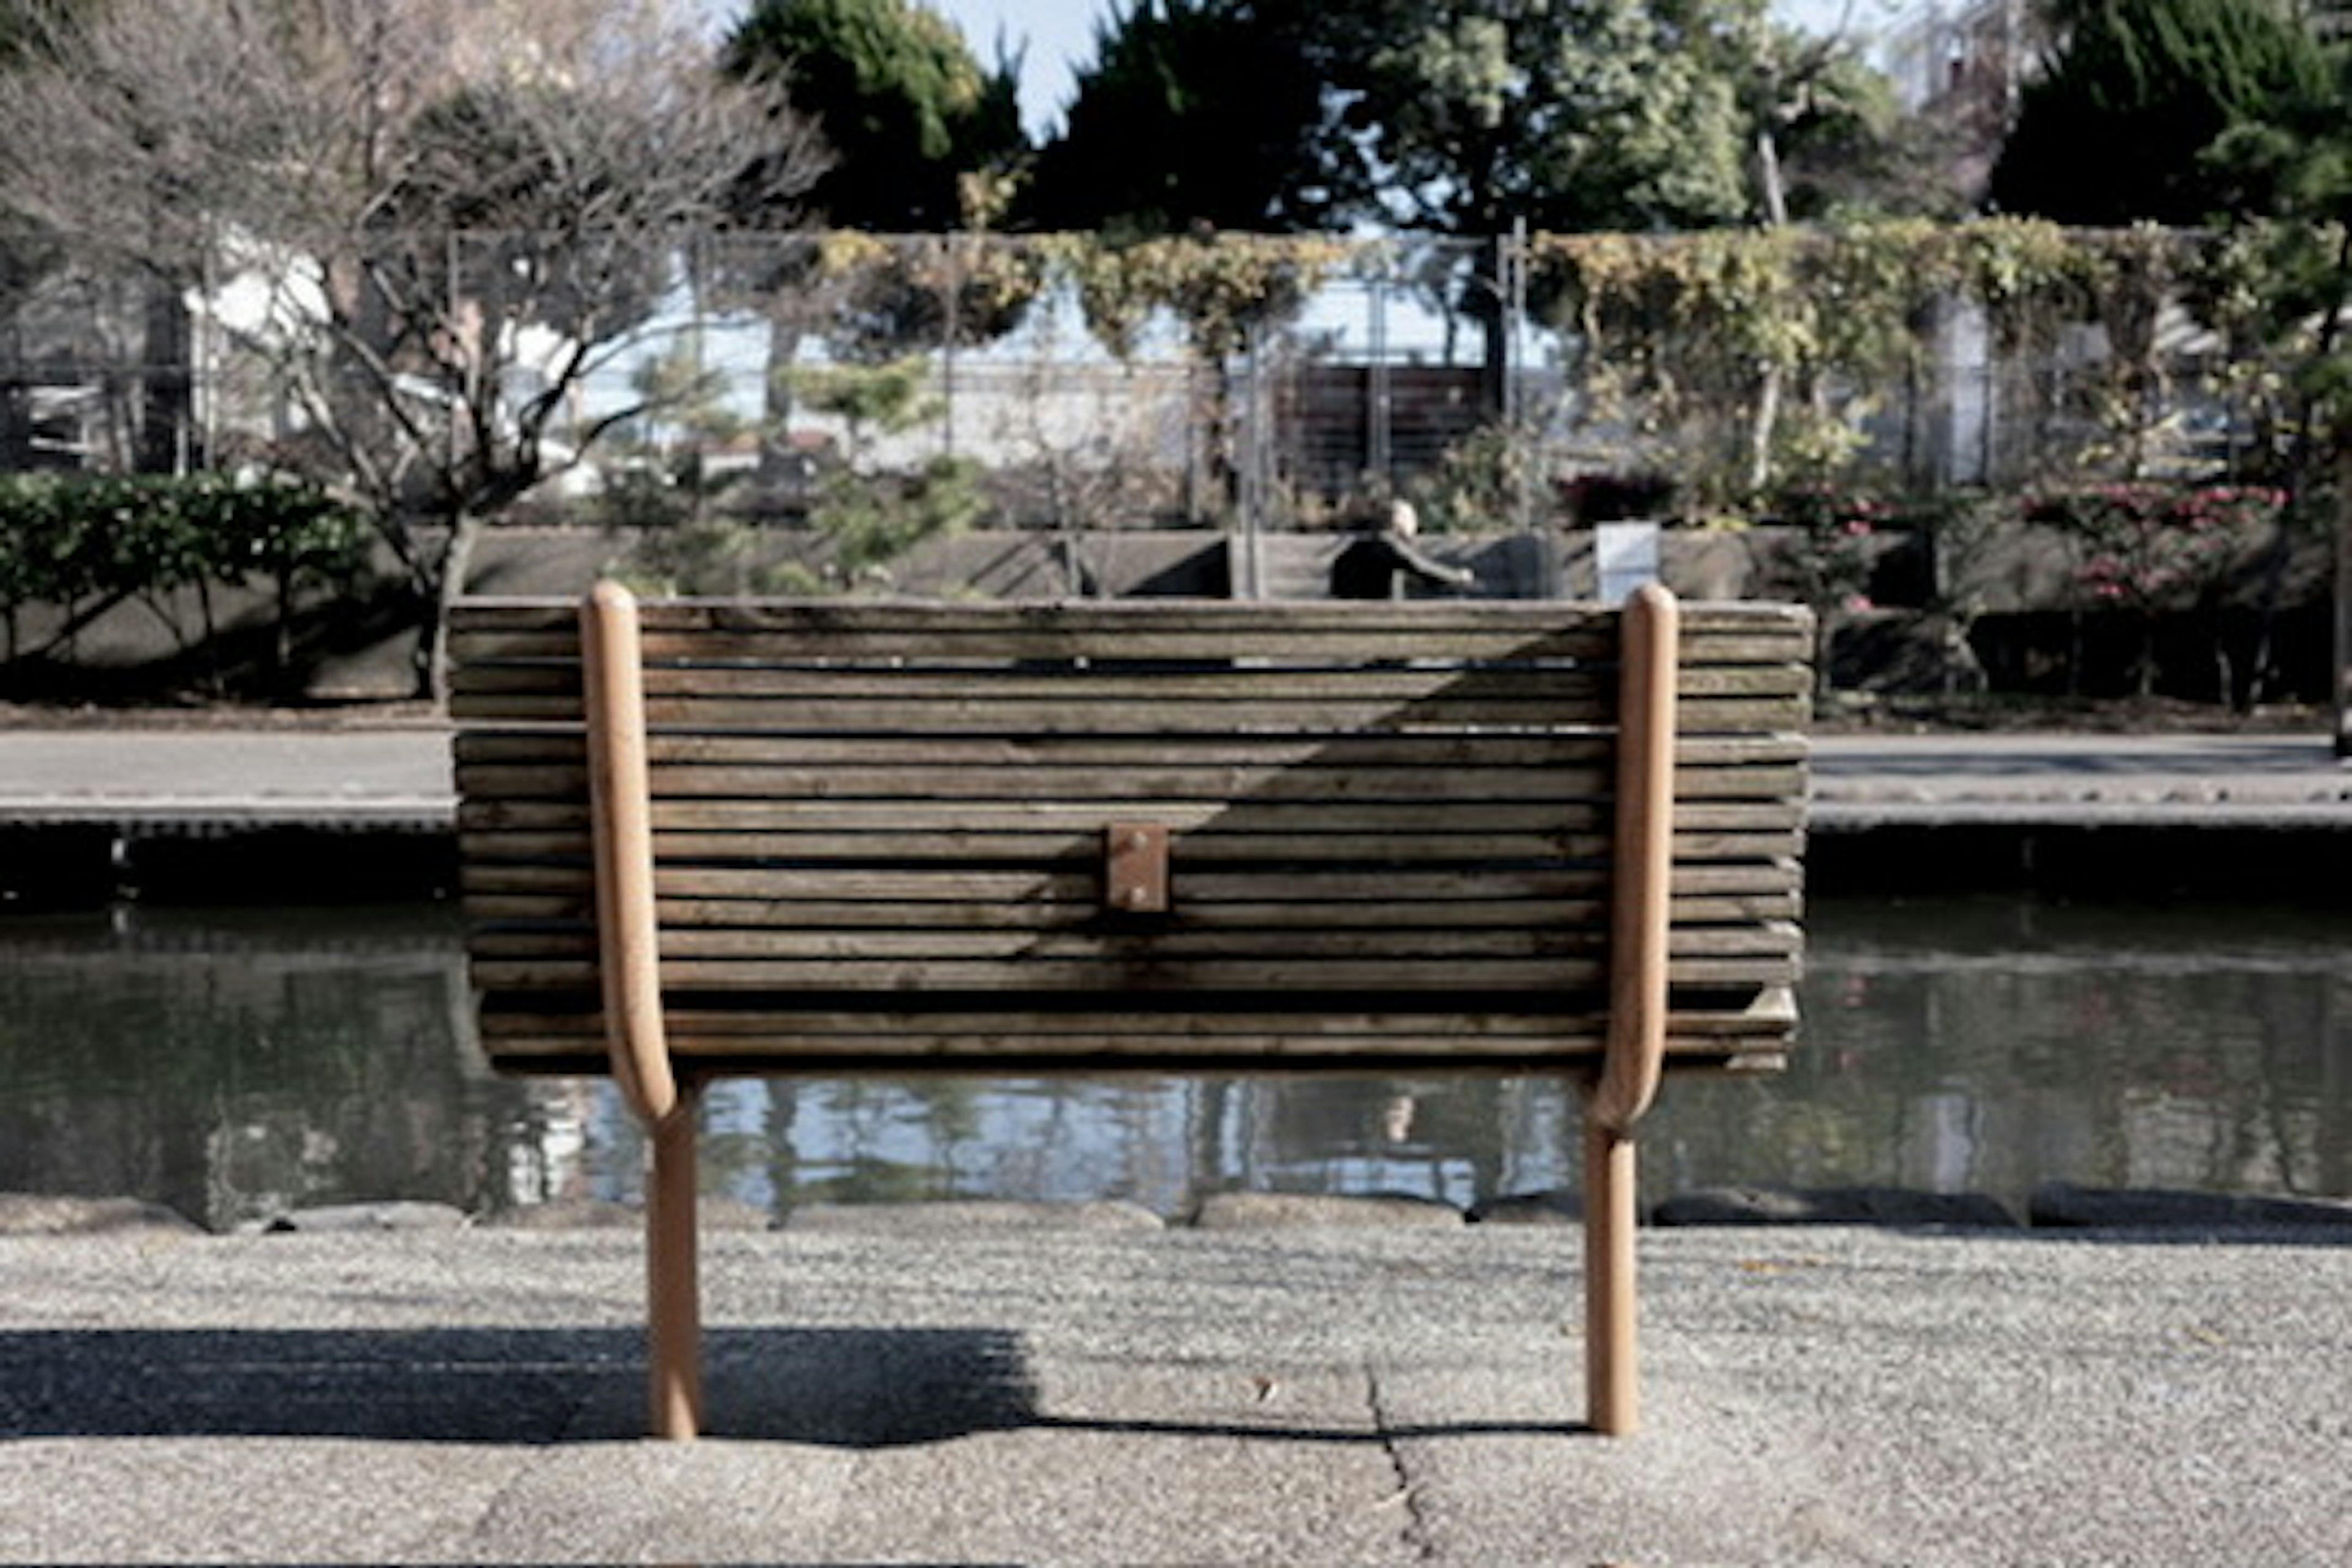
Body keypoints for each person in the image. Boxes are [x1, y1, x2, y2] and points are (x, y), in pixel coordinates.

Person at [1329, 499, 1475, 600]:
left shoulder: (1365, 544)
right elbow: (1423, 570)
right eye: (1411, 520)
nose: (1415, 527)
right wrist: (1458, 577)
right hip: (1372, 615)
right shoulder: (1389, 545)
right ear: (1398, 521)